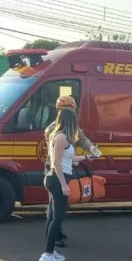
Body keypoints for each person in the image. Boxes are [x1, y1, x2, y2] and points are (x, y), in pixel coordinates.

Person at [43, 95, 101, 247]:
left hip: (62, 169)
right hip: (56, 171)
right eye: (72, 110)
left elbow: (81, 138)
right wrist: (63, 184)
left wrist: (91, 149)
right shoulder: (55, 131)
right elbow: (57, 160)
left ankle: (56, 231)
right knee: (55, 208)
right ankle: (52, 238)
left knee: (59, 207)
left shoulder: (68, 128)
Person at [40, 108, 91, 261]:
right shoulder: (61, 137)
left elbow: (69, 157)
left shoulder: (61, 136)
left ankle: (51, 251)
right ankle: (47, 254)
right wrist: (63, 184)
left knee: (54, 216)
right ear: (70, 121)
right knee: (57, 218)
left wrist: (87, 157)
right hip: (56, 179)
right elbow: (56, 162)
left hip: (56, 179)